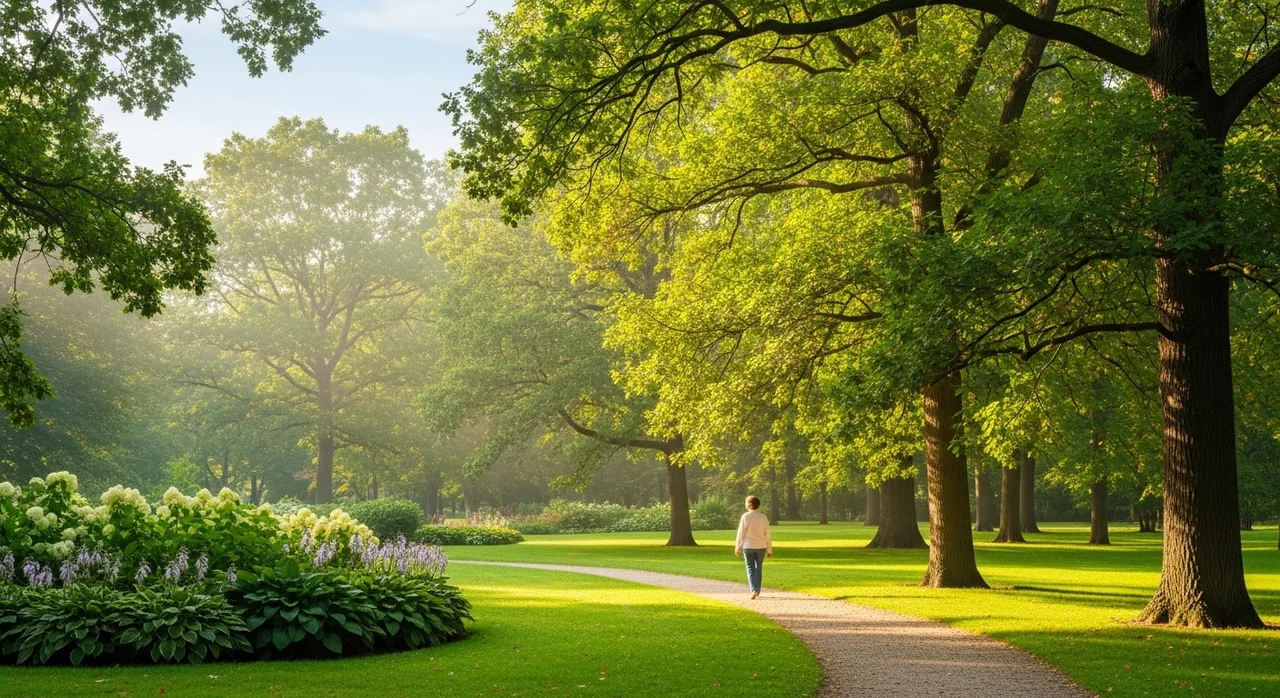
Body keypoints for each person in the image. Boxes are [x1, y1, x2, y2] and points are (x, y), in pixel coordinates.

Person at [734, 495, 772, 599]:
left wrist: (738, 547)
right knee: (758, 568)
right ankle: (757, 590)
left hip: (748, 546)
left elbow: (741, 533)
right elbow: (767, 534)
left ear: (750, 505)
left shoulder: (745, 516)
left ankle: (753, 589)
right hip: (761, 546)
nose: (745, 504)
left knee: (750, 567)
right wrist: (769, 549)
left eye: (746, 502)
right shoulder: (763, 517)